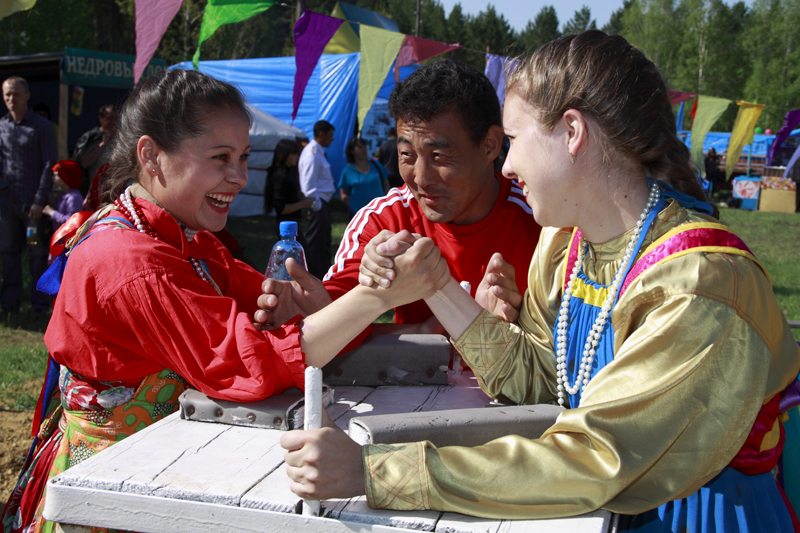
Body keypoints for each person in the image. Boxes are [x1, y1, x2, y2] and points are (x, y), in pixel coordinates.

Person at [279, 32, 800, 531]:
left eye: (512, 140)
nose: (506, 166)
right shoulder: (566, 243)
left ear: (572, 133)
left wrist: (377, 471)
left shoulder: (699, 282)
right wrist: (436, 284)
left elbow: (596, 456)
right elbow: (540, 380)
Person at [1, 69, 448, 533]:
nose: (238, 177)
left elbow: (274, 317)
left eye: (243, 157)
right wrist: (376, 297)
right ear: (151, 156)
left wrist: (315, 307)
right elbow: (255, 364)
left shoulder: (187, 240)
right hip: (111, 495)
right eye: (220, 158)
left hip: (159, 471)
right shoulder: (132, 262)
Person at [256, 59, 541, 347]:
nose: (421, 177)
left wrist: (522, 325)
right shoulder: (384, 222)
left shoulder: (542, 221)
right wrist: (316, 311)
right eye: (407, 155)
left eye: (439, 156)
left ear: (490, 145)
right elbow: (330, 312)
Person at [0, 76, 56, 314]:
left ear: (27, 96)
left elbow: (49, 165)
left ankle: (39, 303)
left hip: (32, 208)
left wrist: (39, 201)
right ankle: (10, 301)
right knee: (8, 250)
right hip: (7, 206)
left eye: (15, 94)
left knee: (36, 251)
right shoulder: (2, 126)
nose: (11, 98)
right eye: (7, 94)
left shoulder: (42, 127)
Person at [298, 120, 335, 278]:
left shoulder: (318, 152)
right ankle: (315, 277)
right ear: (321, 134)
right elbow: (308, 186)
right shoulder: (312, 154)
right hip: (317, 205)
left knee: (323, 244)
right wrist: (318, 206)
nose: (332, 139)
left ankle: (323, 275)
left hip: (322, 204)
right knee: (315, 246)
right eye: (330, 135)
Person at [264, 138, 314, 240]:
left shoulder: (288, 172)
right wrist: (303, 204)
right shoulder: (279, 176)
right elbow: (280, 208)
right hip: (286, 226)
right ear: (284, 154)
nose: (297, 156)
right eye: (294, 153)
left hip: (292, 223)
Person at [72, 104, 118, 196]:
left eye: (115, 118)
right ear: (100, 118)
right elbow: (83, 163)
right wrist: (102, 145)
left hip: (115, 190)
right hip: (95, 192)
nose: (113, 122)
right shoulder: (91, 137)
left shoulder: (121, 137)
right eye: (109, 118)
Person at [339, 136, 389, 216]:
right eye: (360, 147)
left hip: (380, 212)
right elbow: (343, 193)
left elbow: (386, 184)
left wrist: (387, 201)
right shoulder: (347, 170)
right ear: (352, 151)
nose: (364, 149)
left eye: (365, 146)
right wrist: (352, 207)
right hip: (359, 215)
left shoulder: (376, 165)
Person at [42, 160, 84, 233]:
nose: (53, 177)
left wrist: (52, 212)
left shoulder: (73, 198)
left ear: (65, 176)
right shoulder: (61, 195)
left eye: (56, 175)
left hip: (68, 238)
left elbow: (71, 221)